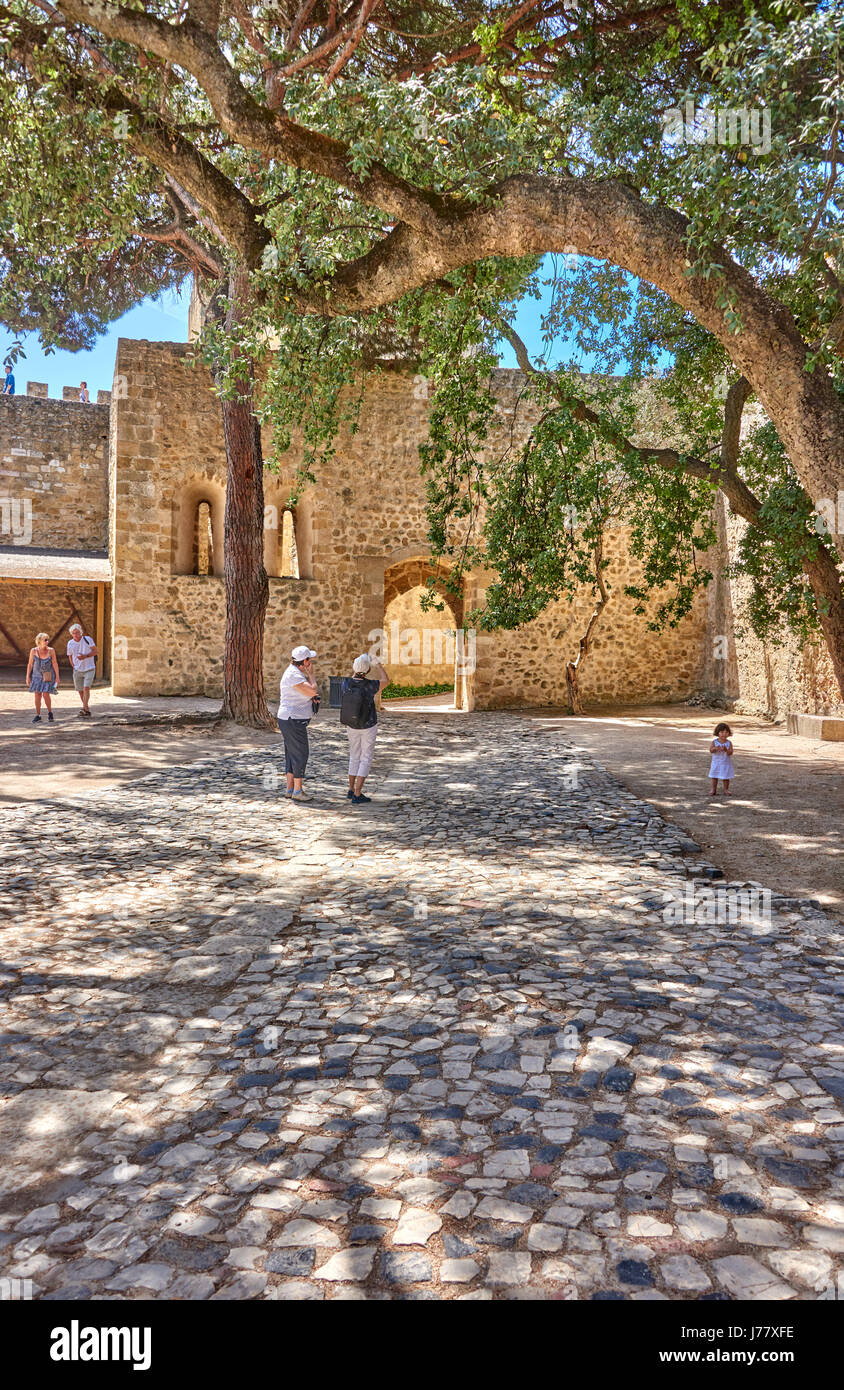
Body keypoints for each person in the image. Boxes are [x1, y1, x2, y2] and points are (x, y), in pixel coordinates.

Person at [339, 653, 389, 804]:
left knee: (354, 756)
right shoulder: (370, 685)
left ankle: (351, 789)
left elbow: (353, 677)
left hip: (352, 725)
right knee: (365, 758)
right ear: (367, 670)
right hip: (368, 724)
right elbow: (386, 681)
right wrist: (379, 665)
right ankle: (358, 793)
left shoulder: (345, 683)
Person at [278, 644, 319, 802]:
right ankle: (297, 790)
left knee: (292, 754)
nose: (311, 663)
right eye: (310, 660)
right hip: (293, 719)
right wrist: (312, 675)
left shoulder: (292, 673)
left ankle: (290, 788)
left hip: (290, 719)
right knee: (301, 754)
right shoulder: (294, 675)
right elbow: (312, 690)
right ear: (305, 661)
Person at [25, 632, 59, 723]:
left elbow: (55, 663)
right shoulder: (33, 650)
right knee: (37, 695)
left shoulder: (51, 650)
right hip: (36, 676)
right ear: (39, 641)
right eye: (45, 640)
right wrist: (27, 676)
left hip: (47, 676)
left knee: (45, 694)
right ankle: (38, 715)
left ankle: (50, 713)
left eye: (48, 639)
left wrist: (57, 677)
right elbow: (30, 664)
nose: (47, 641)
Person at [66, 622, 97, 717]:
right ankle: (86, 708)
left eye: (77, 632)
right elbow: (70, 656)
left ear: (81, 632)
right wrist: (73, 665)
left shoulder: (88, 639)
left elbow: (95, 651)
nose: (76, 634)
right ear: (71, 634)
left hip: (89, 668)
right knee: (80, 690)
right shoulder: (70, 643)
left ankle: (84, 708)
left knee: (86, 688)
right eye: (74, 633)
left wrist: (86, 656)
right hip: (77, 670)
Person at [709, 722, 735, 796]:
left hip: (725, 763)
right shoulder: (714, 742)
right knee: (714, 776)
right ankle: (713, 789)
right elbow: (711, 750)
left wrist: (726, 750)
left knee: (726, 777)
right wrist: (715, 748)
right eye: (722, 732)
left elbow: (730, 753)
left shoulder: (729, 743)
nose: (724, 734)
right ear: (718, 733)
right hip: (716, 762)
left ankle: (726, 789)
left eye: (726, 732)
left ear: (729, 733)